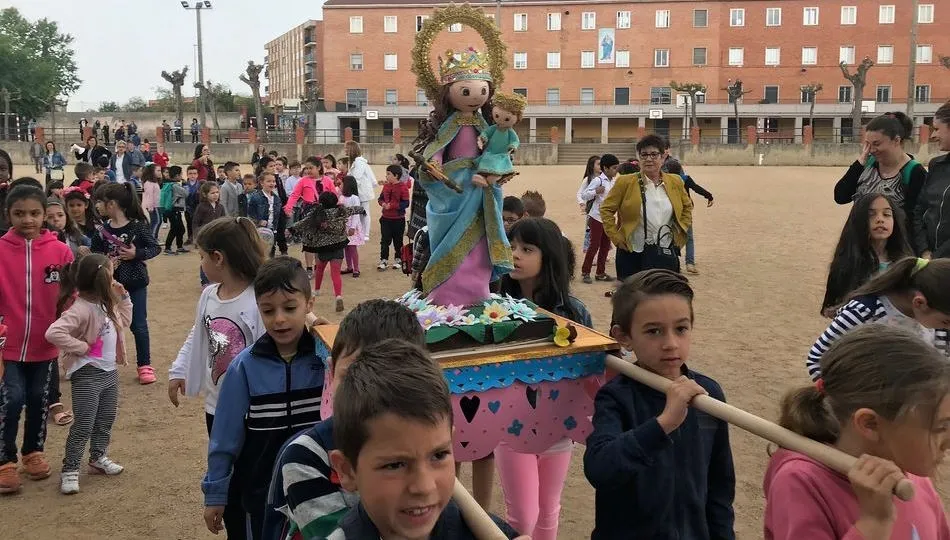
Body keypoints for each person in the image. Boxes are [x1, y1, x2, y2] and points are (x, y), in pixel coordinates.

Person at [585, 269, 735, 539]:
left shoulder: (707, 395)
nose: (670, 343)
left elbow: (719, 489)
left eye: (681, 329)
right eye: (653, 331)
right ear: (624, 337)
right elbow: (600, 469)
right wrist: (664, 423)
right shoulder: (615, 397)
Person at [322, 339, 524, 539]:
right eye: (395, 465)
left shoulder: (480, 530)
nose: (424, 486)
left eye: (439, 455)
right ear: (347, 471)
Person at [765, 324, 950, 539]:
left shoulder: (910, 473)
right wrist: (874, 524)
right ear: (870, 424)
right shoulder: (800, 482)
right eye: (940, 428)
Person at [266, 300, 424, 539]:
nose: (370, 392)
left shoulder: (423, 448)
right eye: (353, 374)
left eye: (392, 377)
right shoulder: (304, 457)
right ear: (331, 372)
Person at [202, 257, 327, 540]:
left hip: (320, 489)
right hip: (262, 494)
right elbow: (224, 437)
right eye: (268, 310)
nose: (279, 318)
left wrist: (322, 330)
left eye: (290, 308)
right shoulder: (244, 367)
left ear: (309, 304)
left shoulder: (326, 359)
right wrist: (216, 493)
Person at [167, 217, 267, 537]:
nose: (201, 263)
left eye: (201, 256)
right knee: (225, 477)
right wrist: (180, 369)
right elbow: (199, 333)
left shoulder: (257, 302)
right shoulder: (209, 295)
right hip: (217, 410)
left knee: (250, 485)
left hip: (253, 414)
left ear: (218, 258)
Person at [495, 218, 592, 540]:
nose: (515, 254)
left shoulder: (575, 313)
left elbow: (595, 364)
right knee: (523, 516)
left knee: (549, 510)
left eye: (527, 248)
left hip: (558, 426)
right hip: (510, 425)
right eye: (511, 247)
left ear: (548, 256)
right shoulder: (492, 310)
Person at [0, 185, 75, 494]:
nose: (27, 220)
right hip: (8, 346)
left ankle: (33, 452)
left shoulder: (60, 251)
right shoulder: (1, 250)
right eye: (19, 214)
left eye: (34, 213)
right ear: (8, 215)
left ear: (46, 215)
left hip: (45, 346)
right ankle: (5, 461)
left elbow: (72, 294)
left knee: (38, 400)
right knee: (11, 399)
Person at [45, 254, 132, 494]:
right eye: (111, 274)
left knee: (105, 419)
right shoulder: (80, 309)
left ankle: (98, 458)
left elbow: (124, 321)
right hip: (88, 374)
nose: (114, 278)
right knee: (83, 423)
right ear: (101, 279)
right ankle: (70, 469)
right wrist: (83, 348)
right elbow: (54, 333)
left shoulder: (107, 303)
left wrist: (124, 297)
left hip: (109, 371)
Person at [807, 256, 950, 381]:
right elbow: (817, 358)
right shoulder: (865, 311)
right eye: (946, 322)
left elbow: (942, 365)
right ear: (919, 303)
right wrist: (846, 398)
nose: (947, 327)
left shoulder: (937, 322)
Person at [90, 183, 161, 384]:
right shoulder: (101, 231)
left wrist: (135, 253)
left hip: (136, 282)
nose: (97, 206)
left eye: (100, 202)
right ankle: (100, 363)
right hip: (109, 285)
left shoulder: (138, 226)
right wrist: (105, 262)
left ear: (111, 204)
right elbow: (95, 256)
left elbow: (155, 248)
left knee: (139, 325)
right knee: (102, 325)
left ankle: (144, 366)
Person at [600, 135, 693, 280]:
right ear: (639, 158)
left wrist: (680, 235)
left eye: (654, 154)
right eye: (644, 155)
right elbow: (606, 209)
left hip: (665, 249)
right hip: (632, 250)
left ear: (663, 157)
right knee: (632, 299)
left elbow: (687, 207)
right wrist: (616, 237)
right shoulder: (625, 182)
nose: (649, 159)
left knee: (662, 297)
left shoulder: (675, 181)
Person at [820, 194, 913, 317]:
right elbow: (832, 308)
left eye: (886, 214)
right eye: (871, 215)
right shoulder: (848, 263)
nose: (880, 219)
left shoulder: (905, 263)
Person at [834, 112, 926, 235]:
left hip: (894, 246)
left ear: (896, 140)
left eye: (876, 144)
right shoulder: (866, 164)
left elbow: (915, 219)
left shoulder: (915, 172)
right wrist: (860, 162)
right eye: (868, 144)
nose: (871, 150)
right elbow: (840, 197)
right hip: (858, 241)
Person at [293, 191, 366, 312]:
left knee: (320, 269)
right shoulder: (341, 211)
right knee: (335, 273)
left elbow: (304, 222)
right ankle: (338, 296)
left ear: (321, 202)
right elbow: (354, 209)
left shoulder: (317, 214)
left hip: (323, 248)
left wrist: (291, 229)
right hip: (338, 245)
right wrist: (362, 210)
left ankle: (316, 291)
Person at [663, 159, 713, 275]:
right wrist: (709, 196)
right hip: (685, 212)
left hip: (671, 211)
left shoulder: (665, 180)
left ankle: (673, 263)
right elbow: (696, 188)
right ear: (680, 169)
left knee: (672, 238)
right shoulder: (685, 179)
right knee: (689, 238)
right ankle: (690, 263)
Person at [914, 101, 950, 258]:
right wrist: (924, 250)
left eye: (936, 129)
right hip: (928, 260)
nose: (933, 135)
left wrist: (936, 258)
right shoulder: (937, 165)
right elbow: (919, 210)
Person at [581, 153, 620, 284]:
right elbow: (584, 195)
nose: (616, 171)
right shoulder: (598, 180)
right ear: (605, 168)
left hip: (608, 218)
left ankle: (600, 273)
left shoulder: (614, 181)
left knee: (605, 246)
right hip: (596, 216)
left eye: (617, 168)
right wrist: (596, 191)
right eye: (614, 168)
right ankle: (585, 272)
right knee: (594, 245)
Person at [377, 164, 410, 271]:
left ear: (396, 175)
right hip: (386, 218)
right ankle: (384, 260)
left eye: (388, 174)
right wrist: (383, 204)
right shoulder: (386, 186)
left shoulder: (403, 187)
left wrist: (393, 206)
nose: (386, 176)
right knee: (385, 240)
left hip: (398, 219)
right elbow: (380, 199)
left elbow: (406, 203)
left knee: (398, 240)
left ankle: (398, 259)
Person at [344, 141, 377, 243]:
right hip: (359, 191)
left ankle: (365, 233)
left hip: (362, 191)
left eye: (346, 148)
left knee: (365, 213)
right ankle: (362, 232)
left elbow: (356, 178)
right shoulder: (356, 162)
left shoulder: (359, 162)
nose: (345, 150)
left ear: (352, 149)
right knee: (360, 213)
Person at [248, 173, 283, 257]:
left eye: (274, 181)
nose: (272, 183)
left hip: (273, 230)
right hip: (260, 230)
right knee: (260, 252)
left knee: (271, 251)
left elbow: (278, 215)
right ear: (262, 183)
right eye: (269, 181)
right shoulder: (255, 197)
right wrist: (258, 222)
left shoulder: (277, 198)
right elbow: (250, 214)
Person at [161, 166, 190, 256]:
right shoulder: (175, 186)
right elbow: (186, 194)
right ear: (177, 175)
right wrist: (185, 184)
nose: (182, 176)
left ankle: (179, 246)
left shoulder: (167, 184)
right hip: (174, 210)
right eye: (181, 174)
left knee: (179, 228)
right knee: (176, 229)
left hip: (171, 210)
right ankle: (168, 247)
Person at [340, 176, 364, 277]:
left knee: (352, 248)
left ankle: (356, 269)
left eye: (342, 184)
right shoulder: (341, 197)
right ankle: (349, 267)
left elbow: (356, 213)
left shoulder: (355, 198)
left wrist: (353, 227)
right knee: (346, 247)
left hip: (352, 226)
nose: (340, 185)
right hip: (344, 226)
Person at [577, 155, 601, 252]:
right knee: (592, 231)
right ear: (592, 166)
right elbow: (580, 193)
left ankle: (603, 250)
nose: (601, 166)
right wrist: (582, 203)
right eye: (599, 164)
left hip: (604, 209)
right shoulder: (588, 179)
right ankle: (592, 252)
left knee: (604, 230)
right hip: (591, 209)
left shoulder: (605, 178)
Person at [140, 164, 162, 240]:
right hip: (153, 206)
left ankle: (153, 237)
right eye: (158, 170)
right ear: (152, 172)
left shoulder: (154, 182)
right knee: (156, 221)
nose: (160, 172)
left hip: (156, 205)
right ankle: (152, 238)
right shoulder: (149, 183)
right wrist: (150, 207)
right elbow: (149, 196)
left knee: (157, 221)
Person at [184, 165, 202, 245]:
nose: (192, 175)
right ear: (187, 175)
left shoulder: (200, 185)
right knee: (189, 223)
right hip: (188, 208)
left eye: (194, 173)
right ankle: (190, 238)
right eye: (190, 173)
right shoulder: (184, 184)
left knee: (198, 224)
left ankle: (198, 239)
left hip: (198, 208)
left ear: (197, 175)